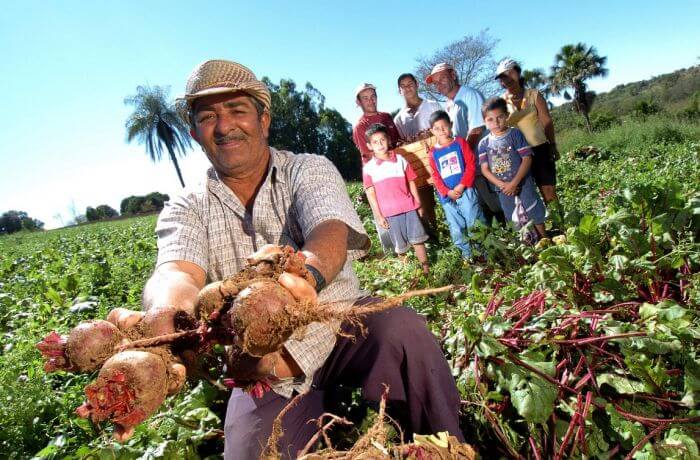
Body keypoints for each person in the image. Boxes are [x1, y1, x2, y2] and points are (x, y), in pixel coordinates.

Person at [139, 59, 464, 459]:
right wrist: (166, 314)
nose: (224, 127)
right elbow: (175, 270)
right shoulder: (186, 206)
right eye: (208, 117)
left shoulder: (307, 169)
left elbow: (329, 230)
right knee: (250, 452)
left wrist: (305, 277)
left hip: (340, 326)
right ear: (194, 133)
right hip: (264, 368)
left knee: (403, 329)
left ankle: (451, 446)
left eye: (237, 111)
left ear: (264, 120)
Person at [426, 62, 505, 225]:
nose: (439, 84)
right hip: (470, 168)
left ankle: (516, 237)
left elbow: (476, 129)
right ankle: (495, 243)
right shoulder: (448, 105)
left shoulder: (469, 94)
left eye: (442, 78)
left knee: (497, 203)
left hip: (484, 161)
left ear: (453, 75)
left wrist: (462, 156)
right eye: (436, 82)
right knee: (482, 207)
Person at [495, 58, 563, 226]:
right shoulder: (501, 102)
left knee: (548, 190)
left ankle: (560, 225)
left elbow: (546, 121)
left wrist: (552, 145)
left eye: (510, 73)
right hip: (518, 156)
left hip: (539, 148)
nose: (507, 78)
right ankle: (537, 232)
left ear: (518, 72)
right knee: (527, 195)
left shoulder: (534, 94)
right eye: (502, 77)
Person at [362, 123, 430, 274]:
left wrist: (418, 203)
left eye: (382, 140)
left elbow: (411, 182)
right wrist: (379, 216)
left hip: (409, 208)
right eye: (375, 142)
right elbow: (371, 194)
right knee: (400, 246)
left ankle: (426, 270)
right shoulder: (369, 168)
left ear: (389, 140)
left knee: (418, 240)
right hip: (390, 213)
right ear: (369, 145)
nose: (380, 144)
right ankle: (408, 275)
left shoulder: (400, 160)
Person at [478, 97, 547, 239]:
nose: (496, 123)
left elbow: (527, 159)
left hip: (523, 182)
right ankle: (527, 246)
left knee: (534, 211)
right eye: (490, 119)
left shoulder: (515, 134)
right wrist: (503, 185)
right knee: (512, 218)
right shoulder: (483, 144)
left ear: (507, 115)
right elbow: (485, 169)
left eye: (500, 117)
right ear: (484, 121)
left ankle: (545, 239)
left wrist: (514, 183)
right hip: (502, 189)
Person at [351, 83, 401, 255]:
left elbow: (397, 142)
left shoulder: (387, 117)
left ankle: (407, 244)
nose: (370, 100)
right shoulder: (360, 125)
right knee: (382, 212)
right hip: (377, 175)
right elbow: (368, 153)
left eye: (373, 96)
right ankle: (391, 253)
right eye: (365, 98)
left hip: (395, 170)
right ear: (359, 102)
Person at [427, 110, 484, 259]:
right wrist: (446, 192)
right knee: (456, 228)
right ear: (432, 131)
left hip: (466, 191)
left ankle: (482, 253)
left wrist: (461, 185)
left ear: (451, 125)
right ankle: (467, 256)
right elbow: (435, 176)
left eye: (444, 126)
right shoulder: (433, 153)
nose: (441, 131)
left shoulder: (460, 142)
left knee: (474, 222)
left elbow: (471, 165)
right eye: (437, 128)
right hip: (447, 198)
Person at [393, 73, 442, 239]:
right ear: (399, 91)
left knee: (447, 194)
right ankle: (434, 235)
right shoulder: (399, 119)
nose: (408, 88)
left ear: (417, 85)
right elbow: (402, 143)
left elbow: (445, 128)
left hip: (439, 158)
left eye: (410, 84)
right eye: (403, 86)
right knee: (425, 202)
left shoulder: (432, 104)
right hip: (419, 165)